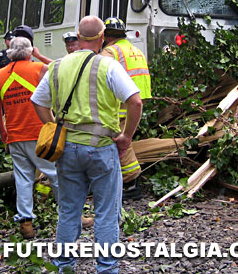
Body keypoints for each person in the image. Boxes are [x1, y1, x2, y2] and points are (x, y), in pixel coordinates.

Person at [31, 16, 142, 274]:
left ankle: (64, 267)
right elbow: (135, 102)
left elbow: (37, 101)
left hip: (67, 149)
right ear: (102, 38)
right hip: (102, 148)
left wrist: (52, 128)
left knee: (69, 211)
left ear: (78, 38)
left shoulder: (56, 67)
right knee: (106, 212)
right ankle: (106, 269)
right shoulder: (108, 66)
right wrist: (126, 137)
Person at [0, 36, 59, 239]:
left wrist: (3, 132)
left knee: (23, 179)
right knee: (55, 174)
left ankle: (26, 223)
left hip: (14, 135)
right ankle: (72, 215)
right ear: (30, 51)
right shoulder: (40, 69)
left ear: (10, 53)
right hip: (39, 133)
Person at [101, 17, 152, 200]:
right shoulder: (134, 49)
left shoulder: (110, 51)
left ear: (105, 36)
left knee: (120, 139)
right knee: (123, 138)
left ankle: (131, 183)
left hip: (123, 101)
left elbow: (100, 75)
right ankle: (128, 183)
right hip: (139, 97)